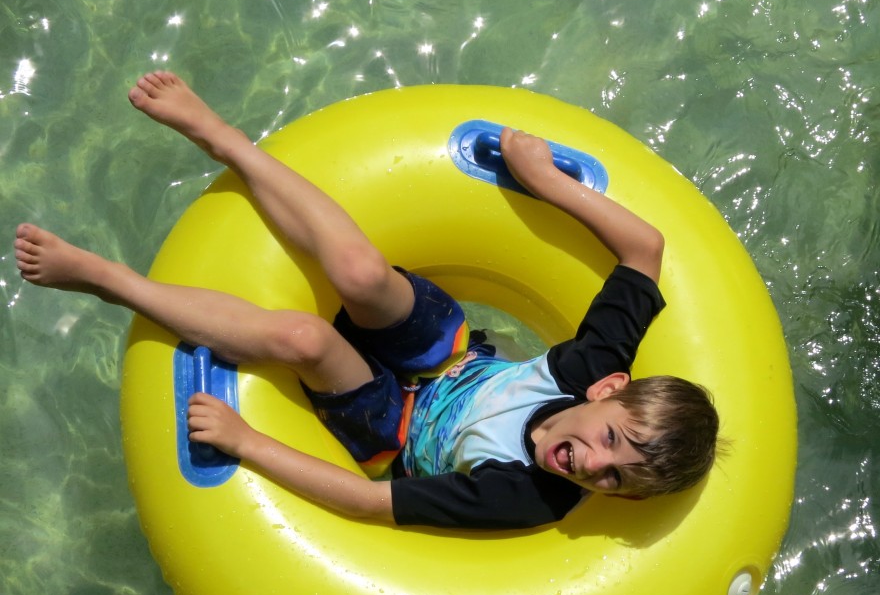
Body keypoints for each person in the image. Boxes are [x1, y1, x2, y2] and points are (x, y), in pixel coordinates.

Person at [14, 71, 719, 529]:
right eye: (610, 440)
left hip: (396, 433)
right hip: (452, 362)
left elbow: (369, 501)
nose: (594, 466)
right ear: (610, 388)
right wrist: (546, 182)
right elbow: (645, 251)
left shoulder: (525, 498)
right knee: (358, 271)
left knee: (306, 341)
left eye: (616, 480)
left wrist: (248, 441)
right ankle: (226, 140)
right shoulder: (590, 364)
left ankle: (112, 281)